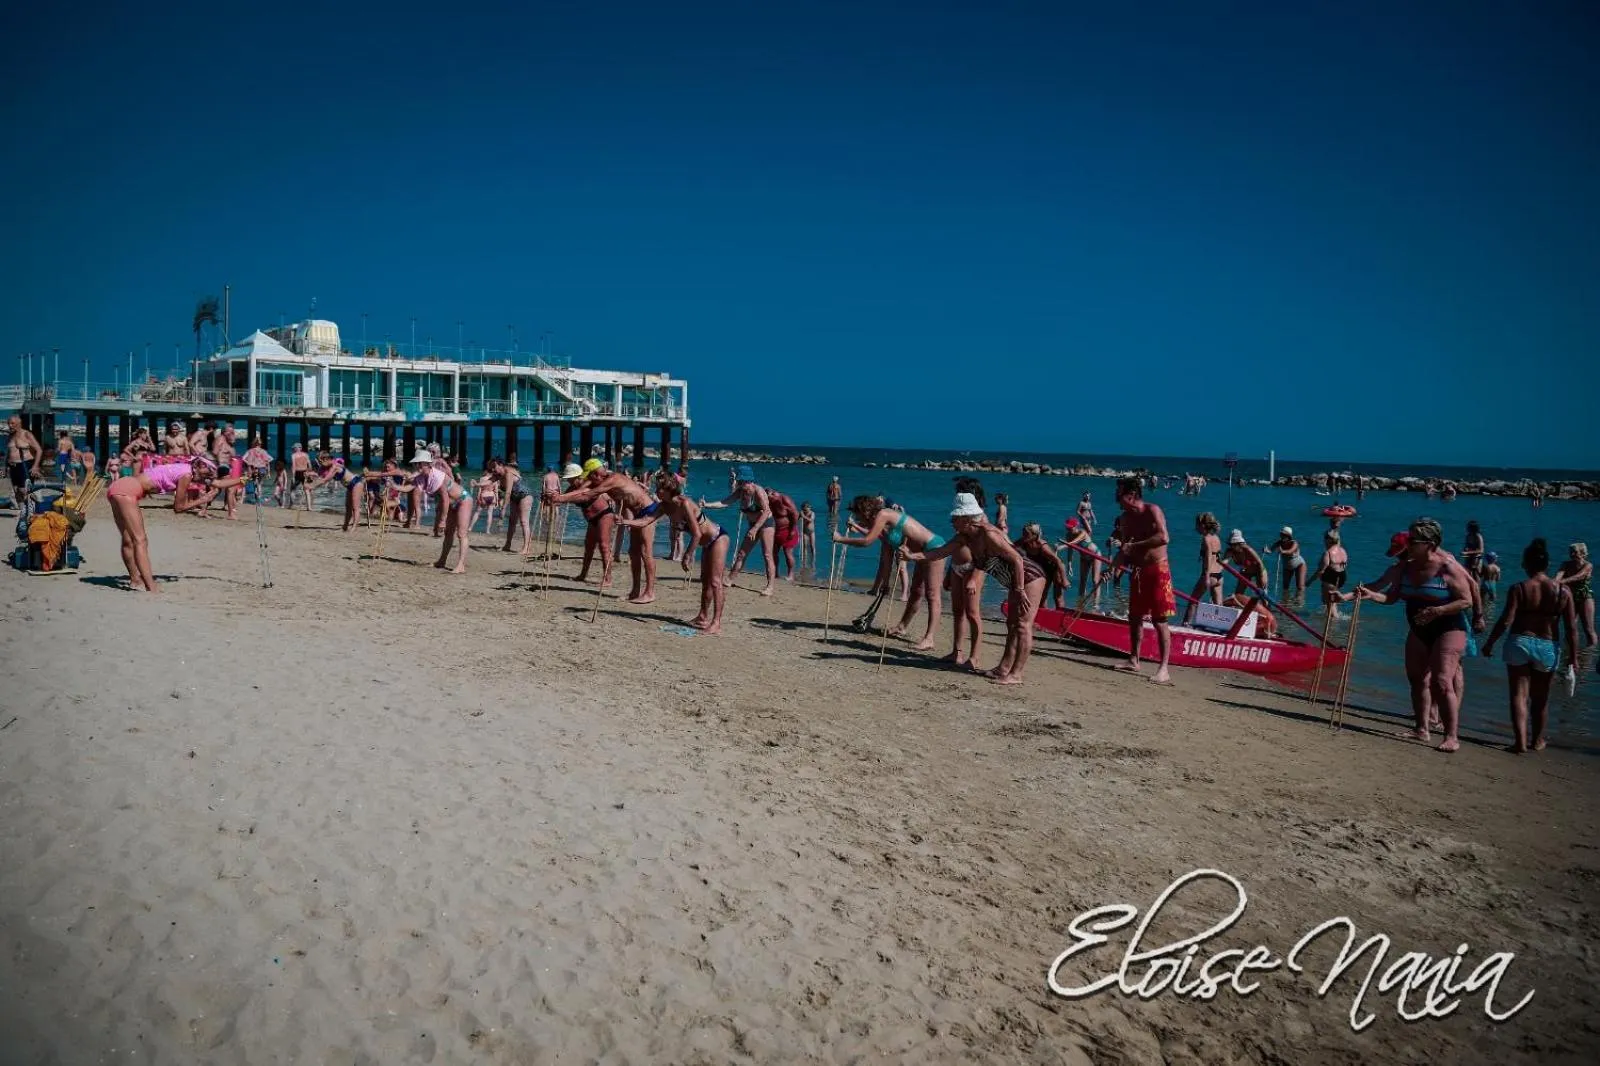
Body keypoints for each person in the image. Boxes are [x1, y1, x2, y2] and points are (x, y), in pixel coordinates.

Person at [1348, 517, 1476, 752]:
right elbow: (1391, 597)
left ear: (1430, 544)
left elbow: (1466, 600)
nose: (1409, 544)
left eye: (1414, 541)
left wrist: (1438, 610)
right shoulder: (1405, 567)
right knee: (1416, 679)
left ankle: (1451, 736)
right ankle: (1421, 729)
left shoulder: (1447, 567)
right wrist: (1370, 595)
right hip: (1418, 628)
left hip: (1448, 627)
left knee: (1442, 681)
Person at [904, 493, 1043, 684]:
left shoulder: (989, 534)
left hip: (1029, 577)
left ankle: (1016, 674)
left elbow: (1017, 559)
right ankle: (1004, 668)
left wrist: (1019, 590)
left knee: (1022, 625)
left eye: (955, 518)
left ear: (967, 518)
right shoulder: (964, 538)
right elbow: (940, 552)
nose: (952, 521)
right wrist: (912, 556)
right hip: (1014, 581)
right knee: (1011, 624)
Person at [1482, 539, 1579, 754]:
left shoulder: (1519, 588)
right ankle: (1537, 741)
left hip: (1520, 642)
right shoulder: (1563, 591)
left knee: (1519, 695)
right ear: (1547, 565)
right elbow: (1571, 628)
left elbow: (1506, 620)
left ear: (1526, 564)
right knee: (1541, 698)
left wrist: (1490, 642)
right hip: (1547, 646)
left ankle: (1519, 743)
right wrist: (1574, 658)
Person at [104, 456, 244, 592]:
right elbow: (178, 508)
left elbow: (218, 484)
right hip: (128, 491)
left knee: (128, 539)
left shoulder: (186, 469)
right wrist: (202, 500)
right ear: (200, 466)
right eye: (208, 471)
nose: (210, 475)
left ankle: (135, 580)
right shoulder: (186, 474)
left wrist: (244, 479)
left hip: (117, 487)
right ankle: (151, 586)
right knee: (140, 540)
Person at [620, 471, 731, 633]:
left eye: (660, 488)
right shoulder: (664, 506)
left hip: (718, 538)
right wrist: (625, 521)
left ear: (669, 489)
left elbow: (697, 533)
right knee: (705, 582)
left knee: (715, 582)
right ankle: (703, 616)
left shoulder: (684, 503)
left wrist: (687, 555)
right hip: (706, 544)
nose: (657, 491)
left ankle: (716, 623)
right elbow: (646, 520)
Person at [833, 496, 947, 650]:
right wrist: (885, 583)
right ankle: (902, 627)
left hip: (934, 548)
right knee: (916, 592)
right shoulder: (883, 528)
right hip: (919, 554)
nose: (859, 520)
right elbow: (887, 558)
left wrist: (841, 539)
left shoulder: (884, 515)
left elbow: (867, 541)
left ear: (866, 512)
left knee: (932, 595)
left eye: (859, 516)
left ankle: (929, 638)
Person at [552, 458, 662, 604]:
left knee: (645, 553)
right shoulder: (597, 479)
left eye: (590, 476)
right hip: (636, 514)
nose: (588, 479)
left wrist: (560, 498)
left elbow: (588, 494)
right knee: (633, 553)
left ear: (596, 473)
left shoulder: (613, 479)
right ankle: (635, 592)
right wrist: (558, 498)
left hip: (647, 511)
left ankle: (649, 592)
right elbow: (582, 490)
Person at [1111, 476, 1175, 684]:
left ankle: (1164, 669)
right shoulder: (1125, 519)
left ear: (1131, 495)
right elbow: (1125, 549)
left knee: (1159, 619)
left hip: (1157, 570)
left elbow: (1163, 538)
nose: (1116, 498)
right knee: (1135, 616)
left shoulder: (1152, 510)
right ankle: (1134, 659)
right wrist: (1114, 567)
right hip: (1137, 571)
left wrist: (1135, 546)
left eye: (1119, 494)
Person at [703, 465, 777, 597]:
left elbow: (766, 511)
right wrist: (706, 504)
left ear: (749, 480)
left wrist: (755, 529)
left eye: (743, 482)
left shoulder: (758, 491)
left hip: (766, 524)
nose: (742, 484)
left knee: (767, 554)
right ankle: (730, 579)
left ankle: (770, 586)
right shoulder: (740, 492)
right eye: (740, 482)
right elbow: (724, 502)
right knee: (742, 553)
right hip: (753, 524)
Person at [307, 452, 368, 532]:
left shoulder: (335, 466)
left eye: (320, 462)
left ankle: (354, 527)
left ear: (325, 459)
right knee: (348, 507)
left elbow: (326, 479)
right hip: (349, 486)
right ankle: (345, 527)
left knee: (355, 507)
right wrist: (309, 475)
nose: (320, 464)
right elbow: (320, 476)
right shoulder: (326, 467)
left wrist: (312, 486)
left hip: (356, 483)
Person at [1015, 522, 1069, 614]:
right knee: (1041, 596)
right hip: (1043, 571)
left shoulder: (1042, 546)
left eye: (1026, 534)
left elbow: (1059, 562)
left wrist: (1064, 580)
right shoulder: (1022, 542)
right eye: (1023, 533)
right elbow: (1009, 547)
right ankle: (1042, 616)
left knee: (1058, 596)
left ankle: (1061, 616)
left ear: (1034, 535)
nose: (1023, 535)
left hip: (1055, 569)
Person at [1182, 513, 1225, 623]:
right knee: (1219, 607)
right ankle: (1220, 627)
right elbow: (1219, 558)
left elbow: (1208, 558)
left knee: (1193, 600)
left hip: (1209, 575)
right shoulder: (1216, 538)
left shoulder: (1206, 539)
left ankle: (1186, 624)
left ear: (1202, 525)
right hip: (1219, 576)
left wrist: (1206, 576)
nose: (1195, 527)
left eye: (1197, 524)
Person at [1553, 543, 1596, 646]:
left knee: (1588, 629)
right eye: (1570, 552)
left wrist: (1561, 582)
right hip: (1571, 597)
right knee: (1570, 628)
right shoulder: (1565, 564)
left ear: (1582, 553)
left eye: (1575, 552)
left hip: (1585, 597)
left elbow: (1578, 576)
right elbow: (1558, 576)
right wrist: (1554, 582)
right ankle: (1569, 651)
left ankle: (1590, 654)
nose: (1572, 554)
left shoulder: (1588, 565)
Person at [1307, 529, 1349, 615]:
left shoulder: (1328, 553)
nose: (1324, 540)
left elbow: (1321, 571)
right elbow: (1344, 565)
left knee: (1330, 603)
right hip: (1341, 577)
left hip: (1330, 578)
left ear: (1329, 540)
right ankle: (1333, 617)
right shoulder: (1343, 550)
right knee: (1332, 601)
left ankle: (1334, 622)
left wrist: (1309, 581)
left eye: (1325, 538)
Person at [1059, 517, 1102, 601]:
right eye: (1067, 527)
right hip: (1084, 557)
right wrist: (1070, 564)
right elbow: (1070, 550)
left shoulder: (1083, 532)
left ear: (1076, 526)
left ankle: (1096, 603)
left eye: (1070, 527)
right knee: (1082, 581)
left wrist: (1063, 546)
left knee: (1095, 580)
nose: (1068, 529)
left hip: (1095, 555)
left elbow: (1074, 542)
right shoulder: (1068, 535)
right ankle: (1080, 603)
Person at [500, 459, 536, 554]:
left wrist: (503, 508)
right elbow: (490, 481)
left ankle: (526, 548)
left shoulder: (509, 472)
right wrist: (478, 484)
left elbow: (507, 492)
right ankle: (507, 544)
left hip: (524, 495)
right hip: (514, 496)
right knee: (512, 521)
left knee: (524, 522)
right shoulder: (501, 474)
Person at [5, 415, 43, 505]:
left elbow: (39, 450)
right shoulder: (10, 436)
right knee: (16, 490)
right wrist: (6, 466)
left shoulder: (26, 434)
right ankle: (22, 511)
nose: (10, 425)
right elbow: (9, 452)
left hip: (25, 464)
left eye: (12, 423)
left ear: (19, 424)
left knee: (24, 490)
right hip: (13, 466)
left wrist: (35, 466)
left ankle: (34, 504)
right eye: (8, 423)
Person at [1221, 530, 1268, 595]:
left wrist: (1261, 579)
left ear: (1240, 543)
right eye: (1231, 544)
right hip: (1246, 572)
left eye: (1234, 544)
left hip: (1259, 570)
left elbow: (1259, 563)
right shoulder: (1230, 551)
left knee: (1261, 593)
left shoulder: (1247, 549)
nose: (1232, 546)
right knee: (1238, 594)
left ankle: (1266, 604)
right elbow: (1224, 563)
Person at [1272, 527, 1307, 596]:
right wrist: (1266, 550)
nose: (1281, 536)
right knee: (1285, 587)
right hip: (1287, 566)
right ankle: (1286, 602)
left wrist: (1282, 551)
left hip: (1299, 565)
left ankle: (1299, 602)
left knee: (1300, 587)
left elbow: (1290, 551)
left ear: (1288, 536)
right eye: (1281, 534)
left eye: (1283, 535)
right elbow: (1271, 549)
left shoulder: (1294, 543)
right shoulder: (1279, 542)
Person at [289, 443, 313, 510]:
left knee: (292, 490)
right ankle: (309, 507)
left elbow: (293, 466)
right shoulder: (306, 455)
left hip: (297, 473)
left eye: (294, 448)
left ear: (297, 448)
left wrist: (293, 476)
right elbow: (310, 465)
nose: (293, 449)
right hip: (305, 472)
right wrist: (309, 473)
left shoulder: (293, 455)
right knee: (307, 490)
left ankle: (291, 505)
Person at [799, 501, 817, 570]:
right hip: (805, 532)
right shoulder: (802, 513)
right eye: (804, 510)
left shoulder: (812, 513)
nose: (805, 511)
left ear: (809, 508)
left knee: (812, 546)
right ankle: (804, 561)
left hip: (812, 532)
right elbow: (796, 520)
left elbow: (811, 520)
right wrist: (800, 516)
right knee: (805, 546)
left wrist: (803, 516)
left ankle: (813, 559)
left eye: (806, 509)